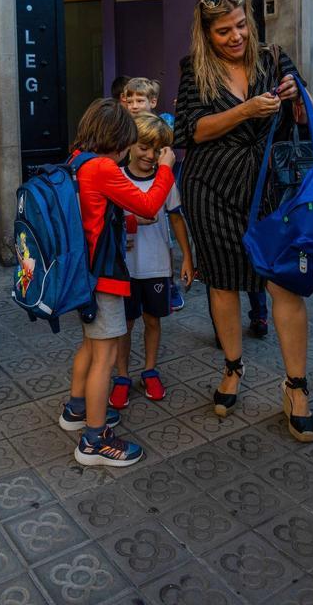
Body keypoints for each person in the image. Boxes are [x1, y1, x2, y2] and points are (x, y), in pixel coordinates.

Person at [174, 0, 313, 442]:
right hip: (211, 188)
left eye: (241, 25)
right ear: (206, 34)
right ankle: (233, 368)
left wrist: (298, 96)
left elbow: (312, 118)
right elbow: (189, 131)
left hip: (271, 192)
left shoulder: (274, 58)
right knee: (222, 282)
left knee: (284, 284)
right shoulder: (194, 70)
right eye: (223, 31)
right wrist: (245, 111)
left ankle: (296, 388)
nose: (236, 36)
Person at [58, 98, 176, 466]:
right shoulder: (103, 168)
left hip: (80, 273)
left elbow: (92, 214)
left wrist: (122, 224)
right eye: (127, 142)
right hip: (103, 277)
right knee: (105, 358)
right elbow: (148, 205)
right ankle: (94, 441)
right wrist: (167, 170)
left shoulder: (76, 160)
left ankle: (76, 410)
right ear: (116, 139)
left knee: (91, 348)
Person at [109, 113, 194, 408]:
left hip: (157, 264)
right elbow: (110, 220)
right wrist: (132, 220)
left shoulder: (165, 179)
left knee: (152, 320)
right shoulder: (117, 178)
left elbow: (176, 217)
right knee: (125, 323)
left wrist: (187, 258)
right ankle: (122, 376)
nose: (149, 155)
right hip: (125, 267)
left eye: (158, 151)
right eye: (144, 147)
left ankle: (149, 369)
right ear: (131, 144)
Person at [123, 77, 185, 312]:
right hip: (134, 184)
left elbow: (175, 217)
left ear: (153, 101)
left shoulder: (163, 123)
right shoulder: (124, 128)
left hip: (159, 182)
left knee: (164, 234)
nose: (135, 105)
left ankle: (168, 284)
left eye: (140, 100)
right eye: (130, 100)